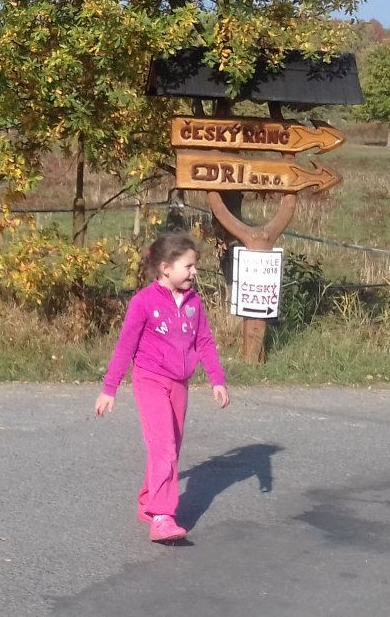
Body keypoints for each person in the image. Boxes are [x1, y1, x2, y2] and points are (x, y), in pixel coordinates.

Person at [94, 232, 230, 544]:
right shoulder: (143, 302)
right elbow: (125, 347)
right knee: (164, 447)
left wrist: (217, 379)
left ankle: (148, 501)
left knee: (170, 447)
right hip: (150, 380)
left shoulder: (194, 303)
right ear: (166, 268)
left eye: (195, 266)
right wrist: (109, 388)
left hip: (179, 383)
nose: (194, 272)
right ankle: (162, 517)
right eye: (188, 266)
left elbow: (205, 342)